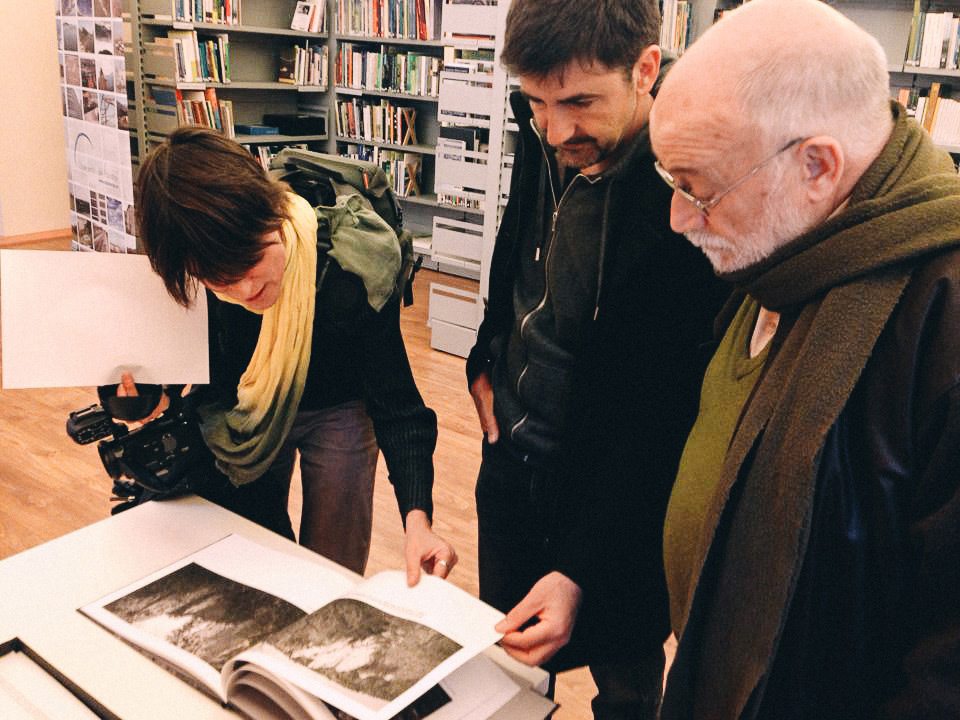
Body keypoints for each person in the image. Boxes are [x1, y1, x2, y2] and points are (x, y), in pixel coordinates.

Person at [648, 0, 960, 717]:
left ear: (817, 165)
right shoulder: (786, 256)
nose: (679, 219)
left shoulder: (938, 319)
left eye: (698, 188)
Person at [465, 0, 729, 716]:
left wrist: (582, 566)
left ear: (647, 69)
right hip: (512, 464)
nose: (556, 130)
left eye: (580, 102)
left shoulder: (692, 185)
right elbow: (520, 234)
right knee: (509, 672)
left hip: (617, 487)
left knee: (627, 678)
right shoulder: (547, 124)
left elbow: (662, 409)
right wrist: (485, 350)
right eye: (536, 103)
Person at [131, 127, 457, 586]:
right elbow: (186, 375)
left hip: (341, 404)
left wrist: (417, 522)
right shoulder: (197, 279)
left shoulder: (352, 266)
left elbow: (400, 407)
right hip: (248, 416)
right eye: (220, 281)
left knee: (333, 573)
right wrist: (143, 396)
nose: (244, 290)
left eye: (251, 263)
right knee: (256, 558)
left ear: (271, 215)